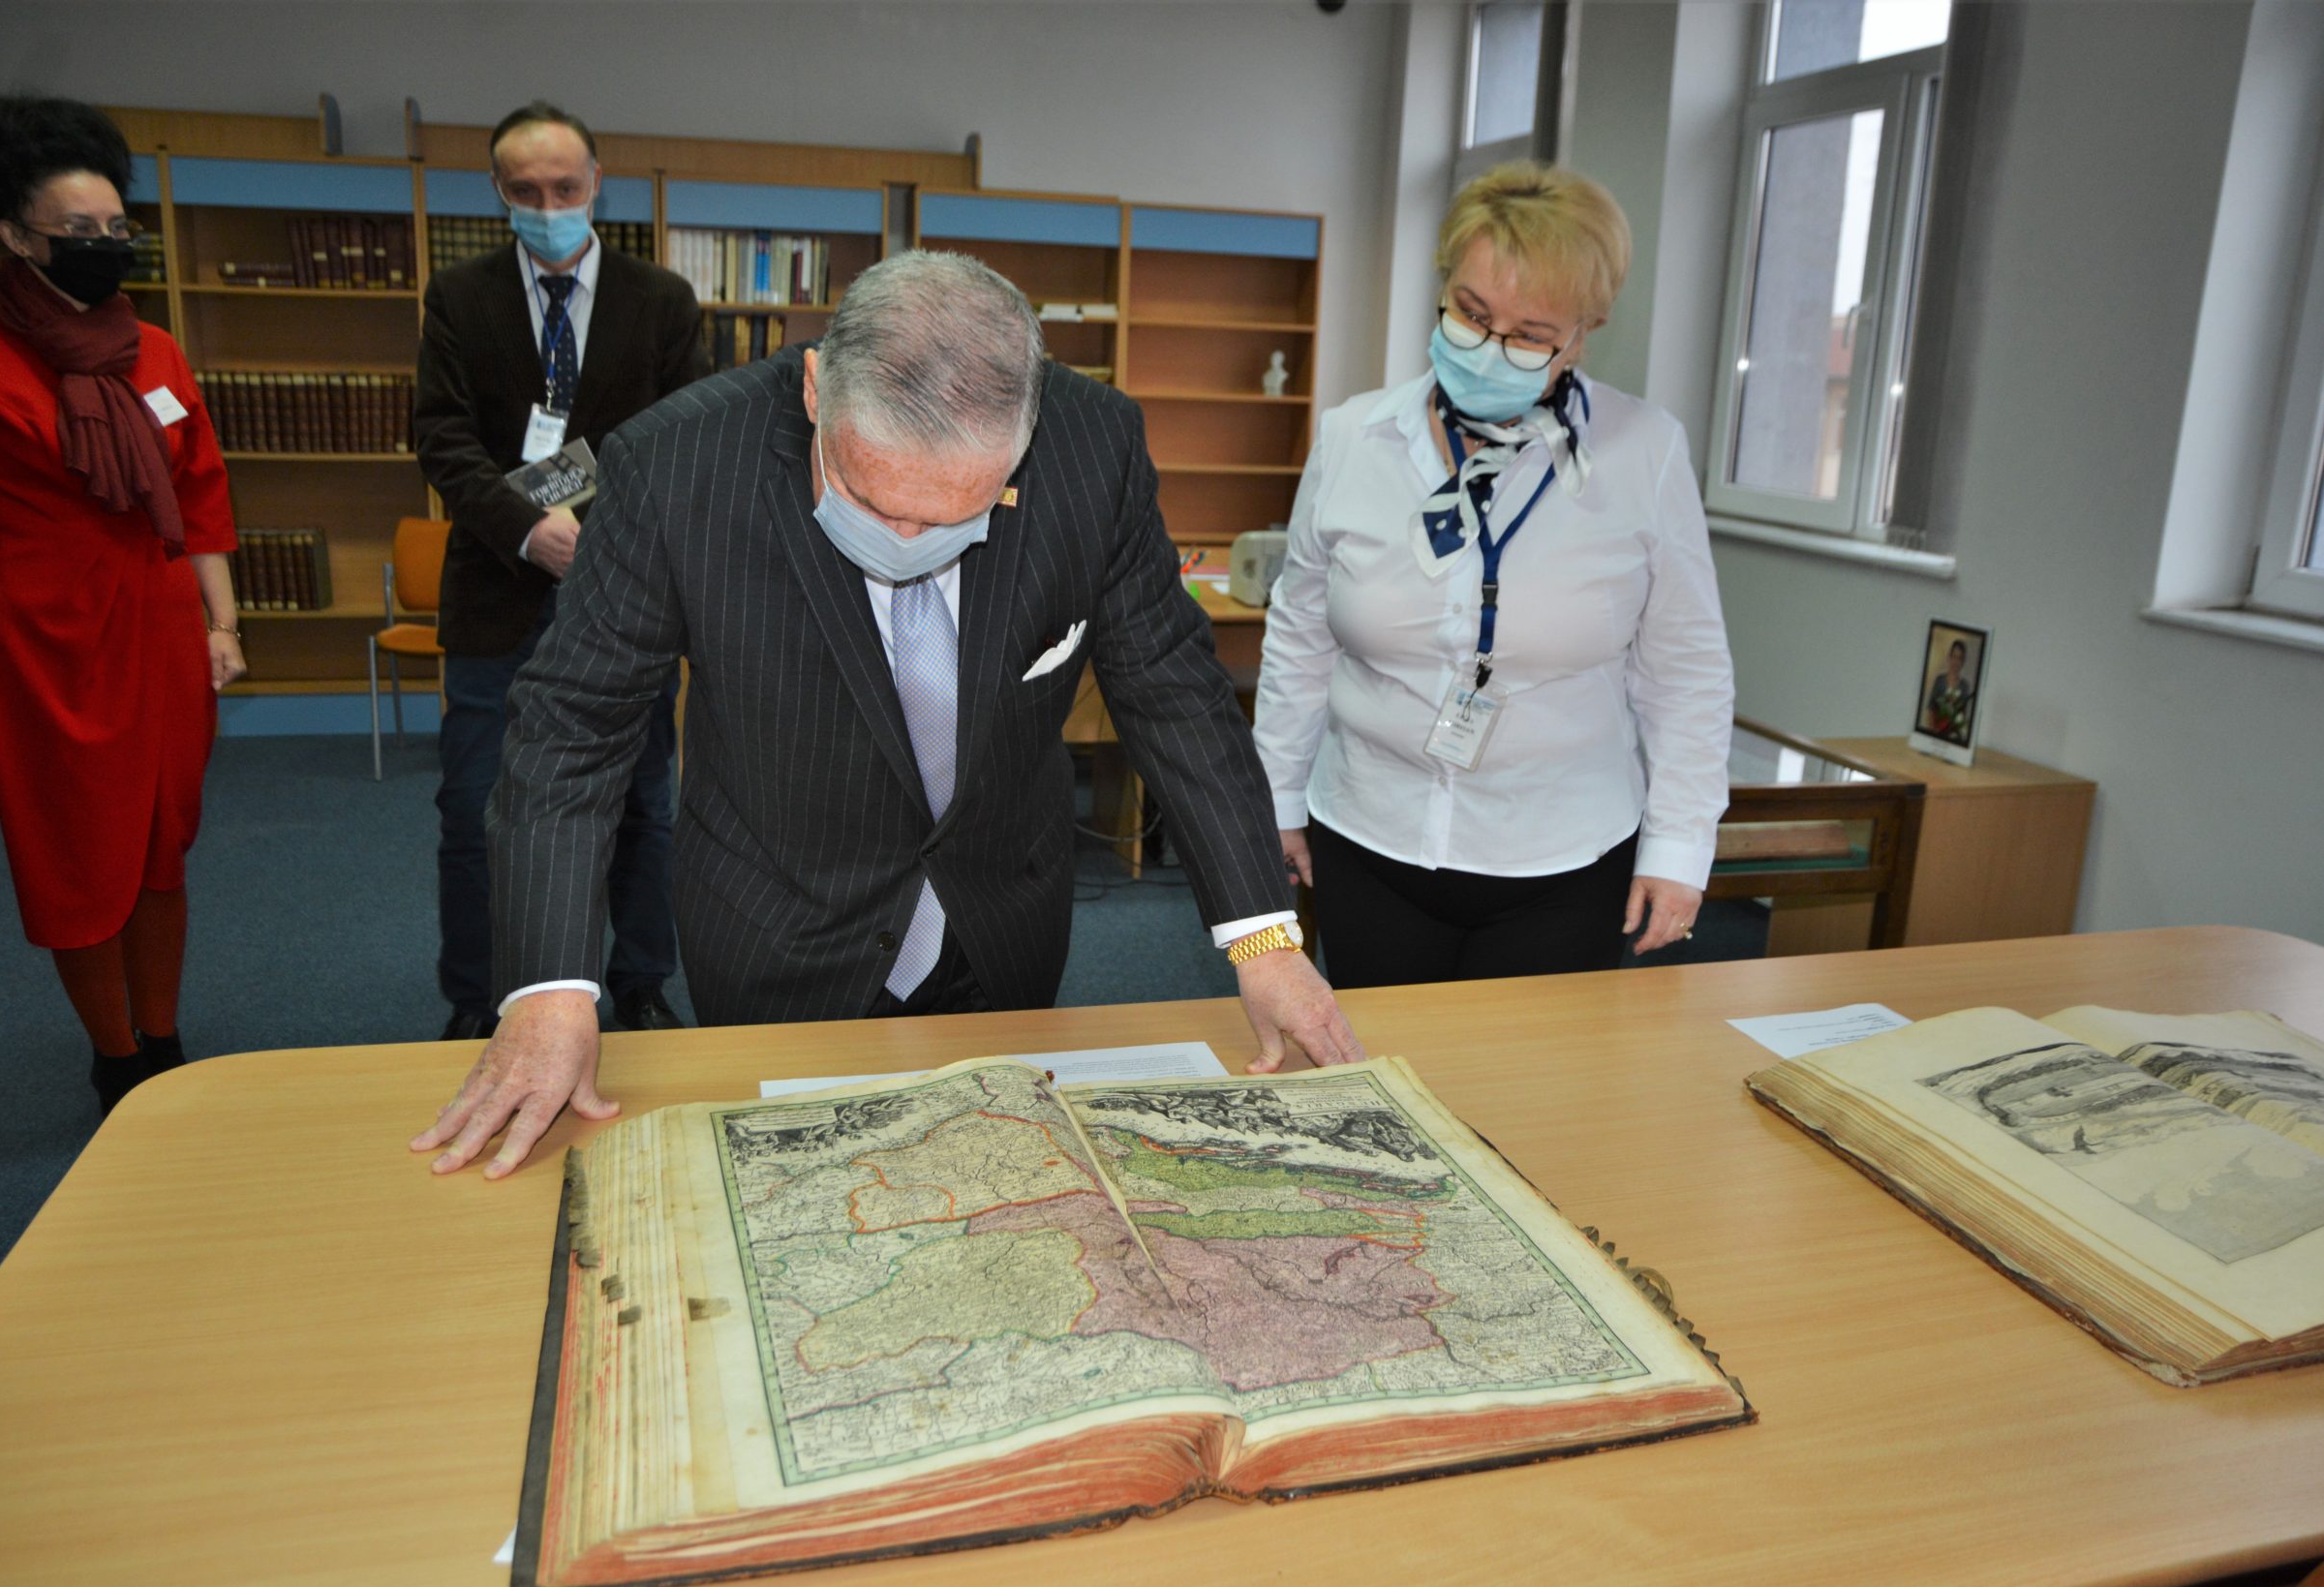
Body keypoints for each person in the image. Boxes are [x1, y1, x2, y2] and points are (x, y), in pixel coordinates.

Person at [411, 251, 1361, 1179]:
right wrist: (548, 986)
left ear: (1026, 430)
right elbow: (574, 726)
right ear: (818, 390)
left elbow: (1173, 687)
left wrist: (1265, 937)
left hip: (1000, 917)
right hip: (776, 921)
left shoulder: (1093, 446)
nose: (906, 541)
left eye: (956, 514)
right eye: (872, 498)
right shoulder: (674, 465)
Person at [1251, 162, 1733, 990]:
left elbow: (1685, 670)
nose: (1488, 348)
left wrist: (1681, 847)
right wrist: (1274, 805)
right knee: (1384, 1091)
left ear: (1584, 333)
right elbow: (1300, 639)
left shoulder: (1644, 453)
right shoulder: (1355, 437)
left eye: (1529, 334)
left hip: (1563, 854)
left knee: (1526, 1103)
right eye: (1471, 315)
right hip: (1371, 836)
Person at [0, 96, 244, 1114]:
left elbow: (201, 495)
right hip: (37, 631)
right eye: (80, 233)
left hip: (155, 621)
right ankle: (114, 1057)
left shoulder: (152, 347)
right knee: (75, 847)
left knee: (159, 833)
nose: (106, 248)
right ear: (18, 235)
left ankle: (164, 1035)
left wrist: (222, 624)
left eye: (119, 231)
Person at [413, 100, 707, 1043]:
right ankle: (475, 996)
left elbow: (684, 442)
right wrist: (526, 530)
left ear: (596, 185)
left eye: (565, 188)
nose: (548, 204)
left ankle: (640, 984)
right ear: (499, 192)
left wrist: (609, 538)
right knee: (474, 809)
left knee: (637, 807)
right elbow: (442, 440)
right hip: (498, 590)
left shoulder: (659, 301)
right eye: (527, 191)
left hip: (623, 596)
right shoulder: (459, 299)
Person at [1922, 639, 1974, 744]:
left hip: (1954, 738)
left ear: (1963, 661)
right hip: (1936, 735)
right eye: (1954, 656)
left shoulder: (1965, 686)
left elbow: (1962, 717)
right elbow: (1931, 708)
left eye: (1959, 658)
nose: (1956, 662)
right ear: (1949, 657)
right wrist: (1933, 733)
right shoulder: (1939, 680)